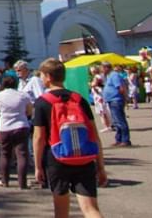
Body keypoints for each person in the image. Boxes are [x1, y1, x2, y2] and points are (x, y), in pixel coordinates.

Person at [32, 58, 107, 218]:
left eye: (41, 75)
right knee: (90, 209)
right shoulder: (79, 99)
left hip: (57, 157)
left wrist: (38, 166)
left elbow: (39, 138)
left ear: (48, 76)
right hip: (84, 157)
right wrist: (100, 165)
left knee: (61, 210)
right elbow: (94, 134)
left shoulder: (42, 103)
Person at [0, 73, 32, 189]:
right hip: (21, 125)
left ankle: (4, 180)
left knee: (5, 154)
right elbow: (29, 111)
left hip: (5, 127)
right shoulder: (23, 95)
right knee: (22, 154)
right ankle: (22, 183)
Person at [100, 63, 130, 147]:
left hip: (116, 100)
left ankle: (125, 140)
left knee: (120, 121)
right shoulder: (109, 76)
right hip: (111, 100)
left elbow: (120, 88)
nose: (101, 70)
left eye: (102, 68)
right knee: (116, 122)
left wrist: (124, 98)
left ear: (106, 68)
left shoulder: (114, 75)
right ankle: (119, 139)